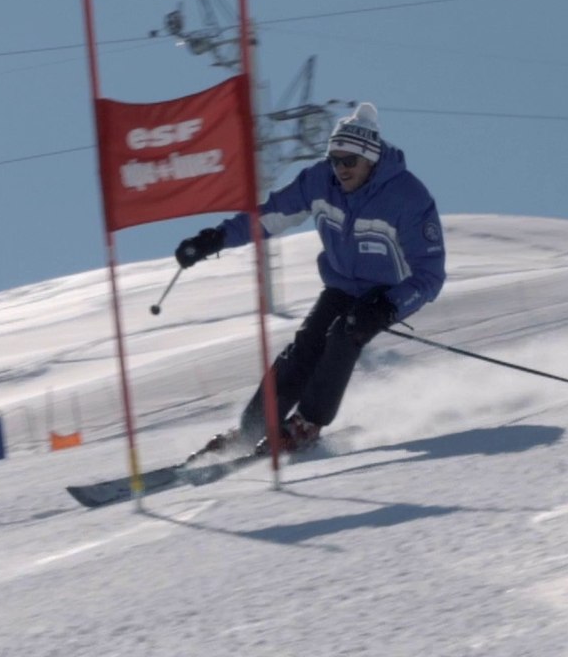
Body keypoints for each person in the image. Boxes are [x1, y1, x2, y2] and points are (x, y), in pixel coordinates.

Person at [174, 102, 446, 457]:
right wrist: (215, 239)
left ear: (371, 159)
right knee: (305, 346)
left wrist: (388, 306)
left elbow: (431, 275)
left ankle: (306, 424)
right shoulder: (319, 182)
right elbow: (268, 217)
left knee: (346, 332)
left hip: (387, 291)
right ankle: (250, 430)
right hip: (342, 284)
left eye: (350, 161)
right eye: (336, 159)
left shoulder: (407, 197)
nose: (341, 169)